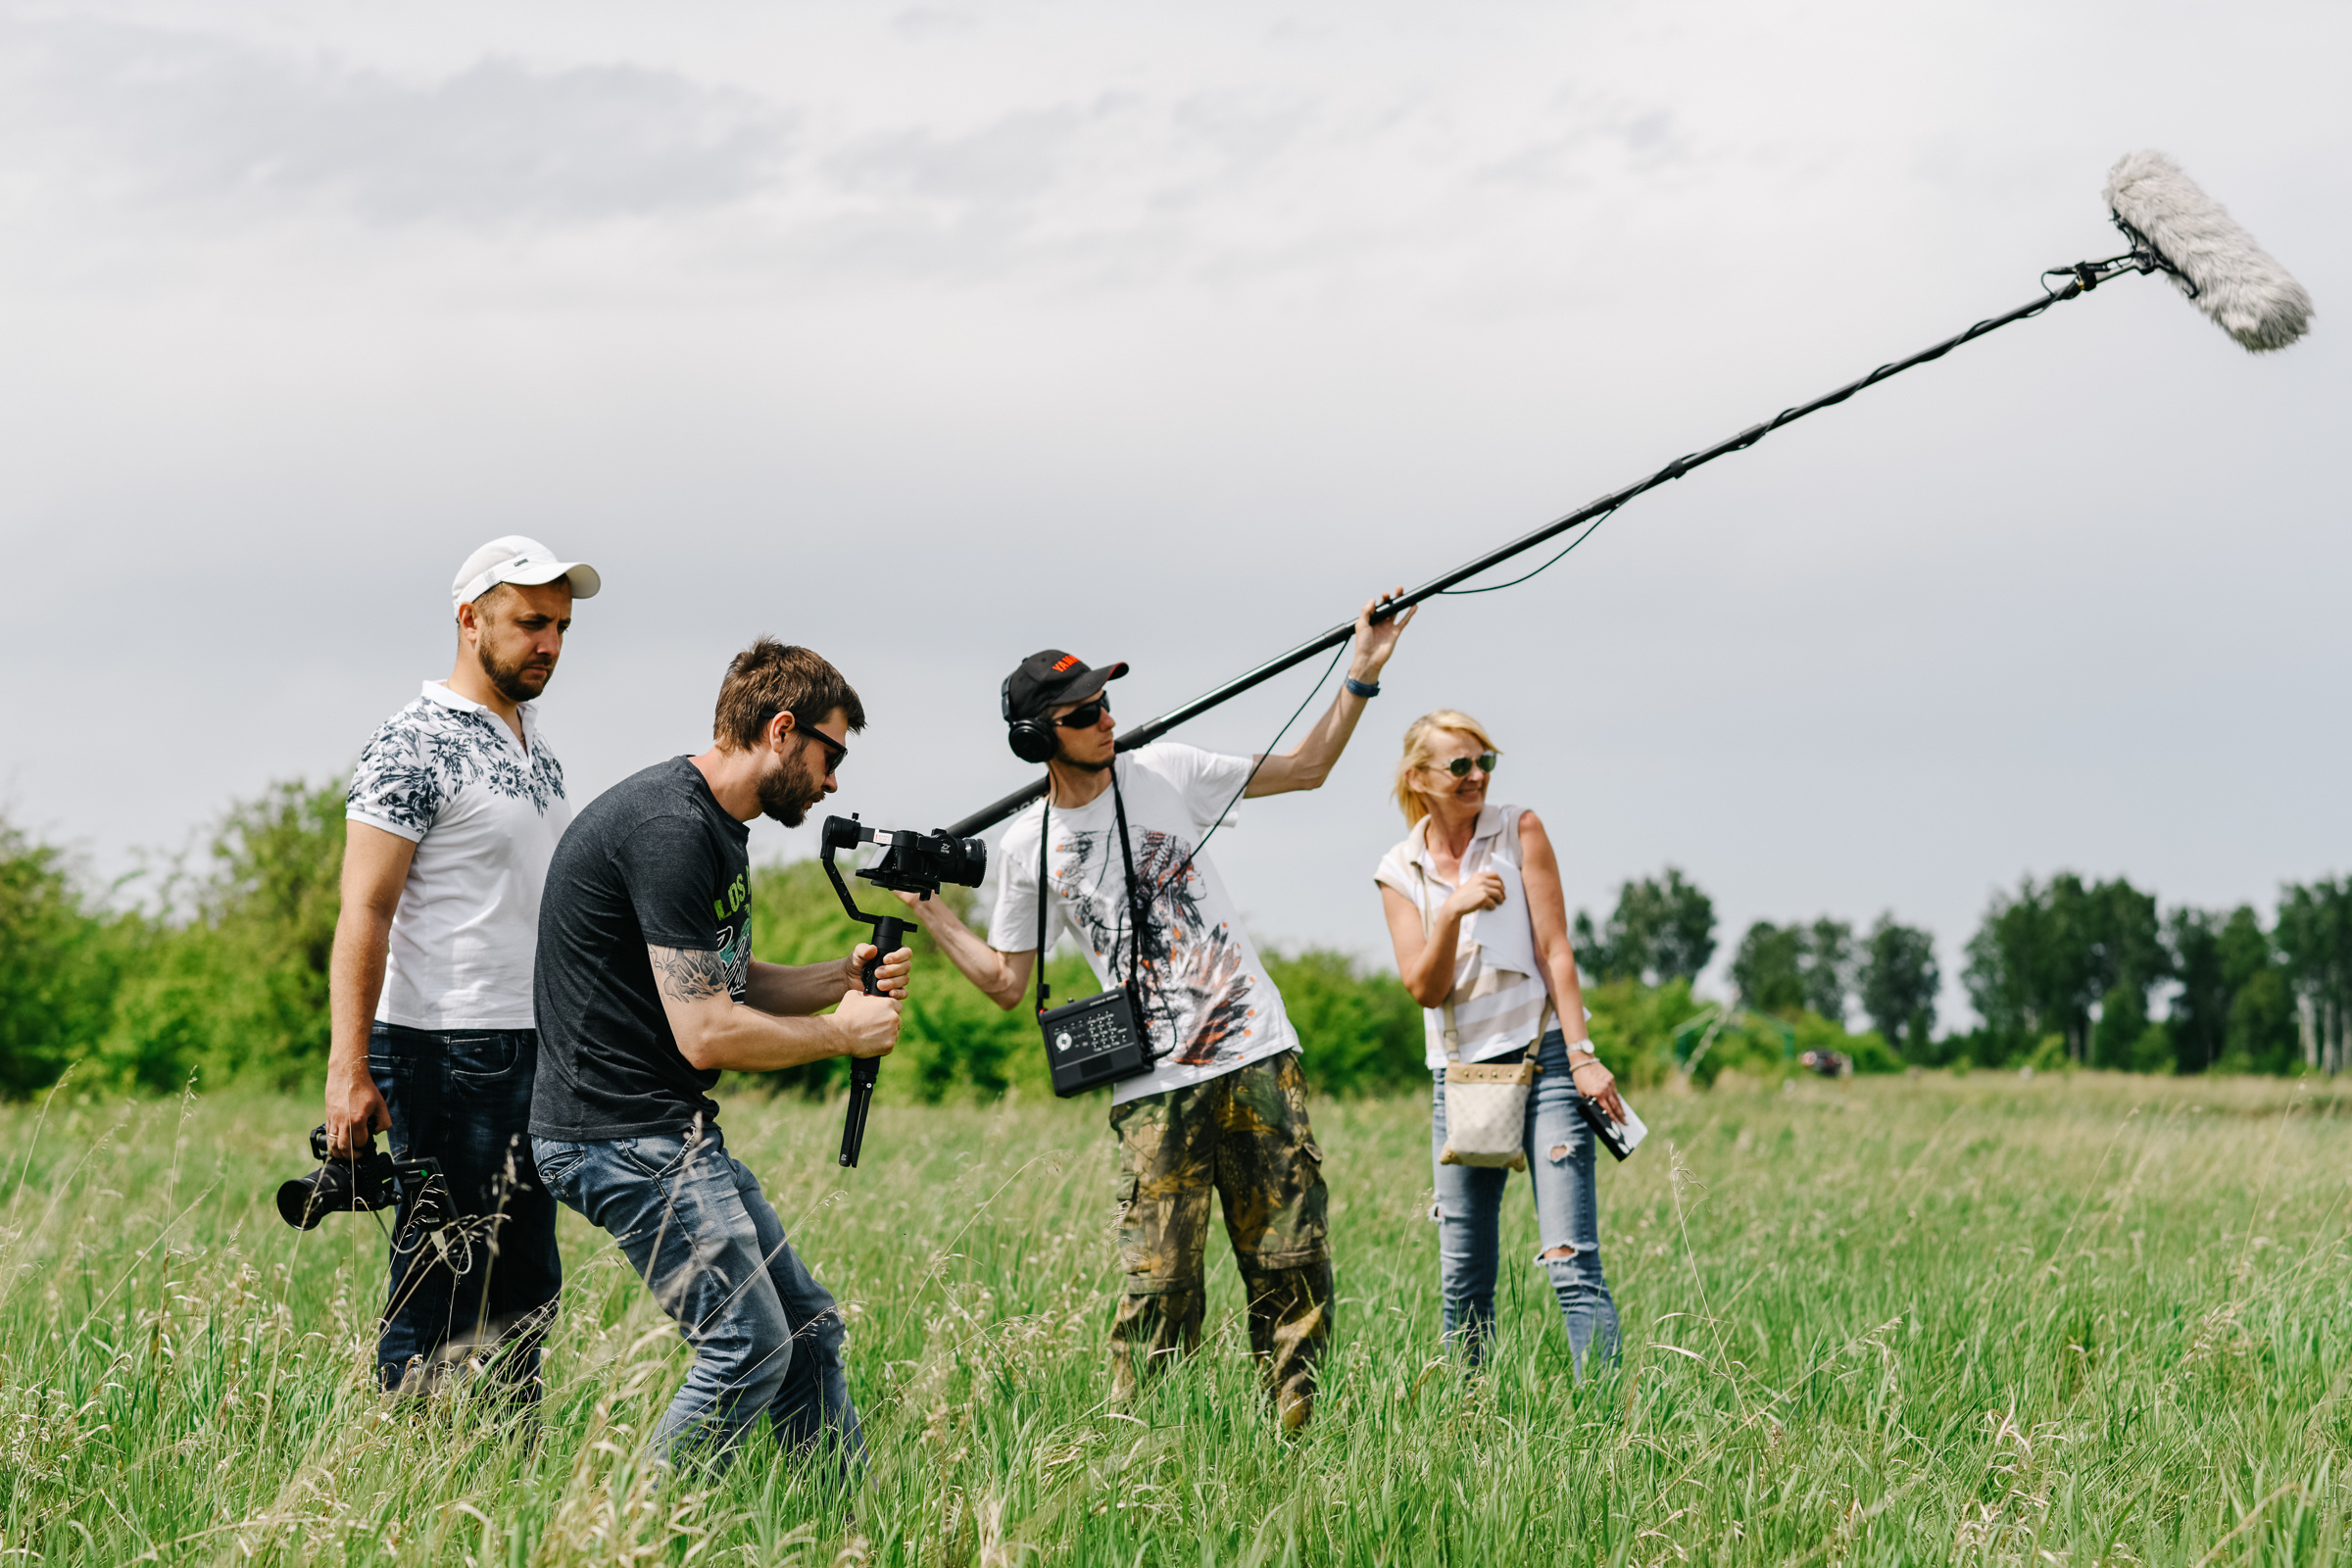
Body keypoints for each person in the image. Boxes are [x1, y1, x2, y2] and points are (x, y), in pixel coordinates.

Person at [898, 593, 1414, 1430]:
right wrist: (933, 914)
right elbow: (1003, 982)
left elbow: (1308, 768)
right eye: (1084, 713)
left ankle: (1303, 1439)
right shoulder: (1030, 848)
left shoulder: (1168, 771)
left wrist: (1362, 670)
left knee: (1292, 1268)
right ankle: (1145, 1455)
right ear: (1037, 739)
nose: (1107, 718)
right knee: (1161, 1289)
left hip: (1256, 1055)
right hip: (1153, 1088)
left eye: (1107, 701)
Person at [528, 639, 907, 1476]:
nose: (834, 780)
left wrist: (835, 978)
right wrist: (842, 1032)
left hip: (667, 1129)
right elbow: (708, 1030)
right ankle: (625, 1536)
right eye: (829, 753)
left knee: (807, 1331)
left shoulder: (714, 826)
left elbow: (719, 979)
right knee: (747, 1346)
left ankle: (836, 1527)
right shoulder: (670, 828)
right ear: (781, 729)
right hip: (617, 1136)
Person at [326, 534, 601, 1399]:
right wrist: (349, 1066)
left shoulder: (538, 748)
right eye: (529, 623)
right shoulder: (411, 743)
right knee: (441, 1282)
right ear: (469, 618)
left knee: (527, 1289)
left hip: (537, 1047)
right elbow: (364, 910)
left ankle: (507, 1481)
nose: (549, 644)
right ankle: (404, 1481)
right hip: (445, 1049)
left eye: (559, 626)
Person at [1373, 710, 1627, 1375]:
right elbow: (1424, 988)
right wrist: (1452, 910)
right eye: (1459, 766)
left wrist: (1582, 1055)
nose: (1476, 776)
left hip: (1542, 1059)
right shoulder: (1399, 870)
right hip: (1461, 1079)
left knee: (1571, 1259)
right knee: (1464, 1276)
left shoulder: (1518, 829)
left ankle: (1607, 1429)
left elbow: (1555, 949)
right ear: (1418, 777)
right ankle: (1468, 1424)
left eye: (1485, 761)